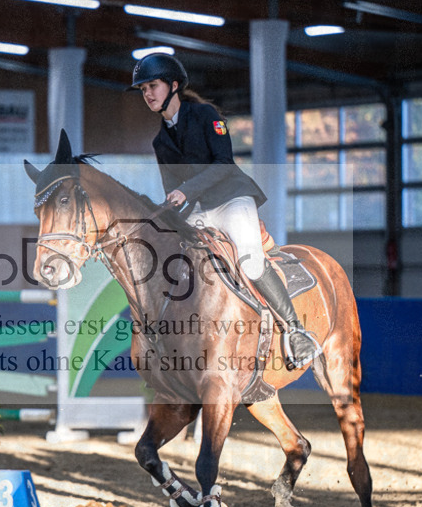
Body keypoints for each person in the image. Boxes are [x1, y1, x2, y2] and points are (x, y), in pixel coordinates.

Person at [130, 53, 321, 370]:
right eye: (143, 89)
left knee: (250, 260)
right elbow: (172, 192)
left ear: (174, 85)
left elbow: (223, 164)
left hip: (232, 199)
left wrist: (185, 192)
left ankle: (296, 331)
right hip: (200, 209)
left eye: (152, 86)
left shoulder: (206, 116)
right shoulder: (160, 141)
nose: (147, 94)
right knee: (173, 263)